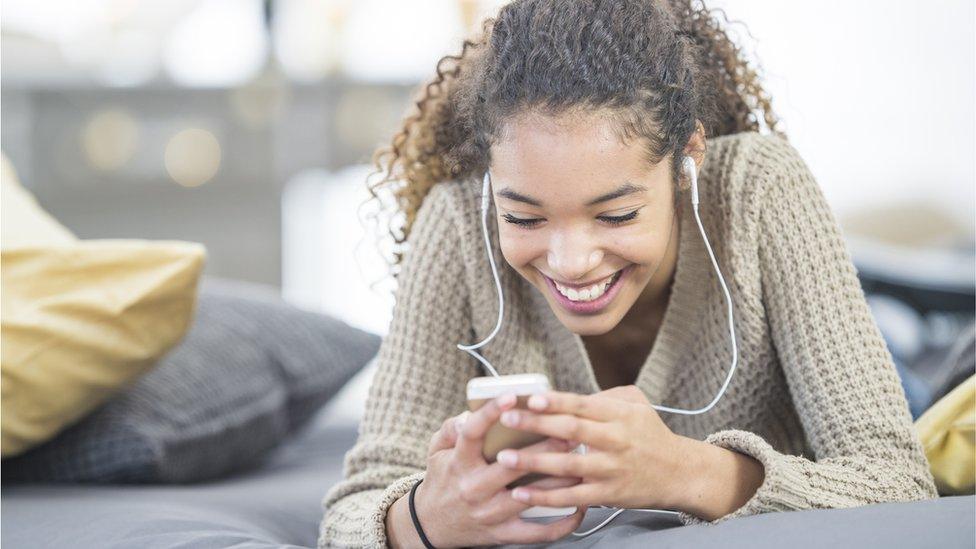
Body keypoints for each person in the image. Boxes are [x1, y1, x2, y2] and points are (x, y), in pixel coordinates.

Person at [318, 1, 938, 547]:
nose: (570, 261)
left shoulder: (758, 187)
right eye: (524, 217)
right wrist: (424, 520)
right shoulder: (456, 224)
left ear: (685, 160)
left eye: (615, 214)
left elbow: (897, 478)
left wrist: (684, 471)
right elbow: (353, 510)